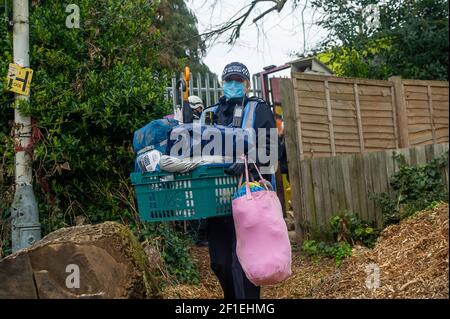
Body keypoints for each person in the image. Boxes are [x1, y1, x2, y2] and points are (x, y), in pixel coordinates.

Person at [205, 62, 277, 299]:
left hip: (248, 196)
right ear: (222, 83)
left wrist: (248, 159)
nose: (233, 85)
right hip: (215, 199)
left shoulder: (259, 109)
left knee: (244, 264)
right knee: (220, 262)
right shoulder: (211, 112)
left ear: (246, 85)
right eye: (229, 81)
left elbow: (272, 150)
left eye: (238, 81)